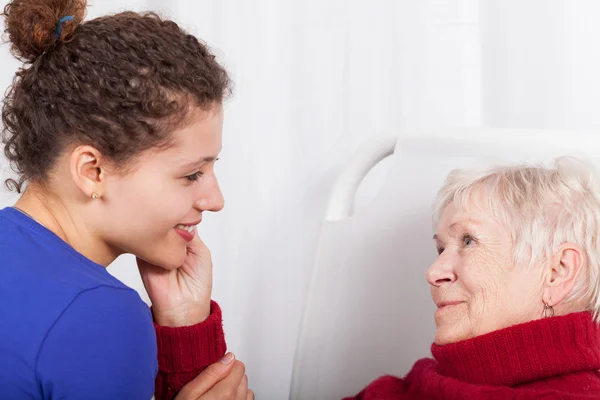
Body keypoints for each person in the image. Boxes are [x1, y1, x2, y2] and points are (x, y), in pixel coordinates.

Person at [0, 1, 252, 399]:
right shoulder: (97, 316)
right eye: (191, 174)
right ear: (92, 171)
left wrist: (183, 321)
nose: (214, 200)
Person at [345, 157, 600, 399]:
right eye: (441, 249)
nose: (433, 273)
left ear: (558, 272)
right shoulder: (392, 392)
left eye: (468, 241)